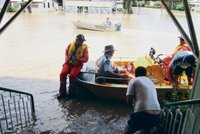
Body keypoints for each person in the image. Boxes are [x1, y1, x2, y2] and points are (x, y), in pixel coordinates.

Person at [124, 66, 161, 134]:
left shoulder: (133, 80)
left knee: (126, 131)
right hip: (157, 115)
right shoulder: (151, 82)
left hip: (143, 114)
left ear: (135, 74)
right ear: (145, 74)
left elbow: (129, 100)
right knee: (145, 131)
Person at [57, 34, 89, 100]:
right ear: (76, 40)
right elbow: (66, 53)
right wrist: (67, 60)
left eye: (83, 41)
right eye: (80, 41)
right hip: (68, 63)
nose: (82, 42)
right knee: (62, 74)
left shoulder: (84, 48)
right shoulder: (70, 45)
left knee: (72, 75)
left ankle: (71, 93)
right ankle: (62, 93)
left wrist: (78, 59)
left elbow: (86, 59)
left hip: (77, 65)